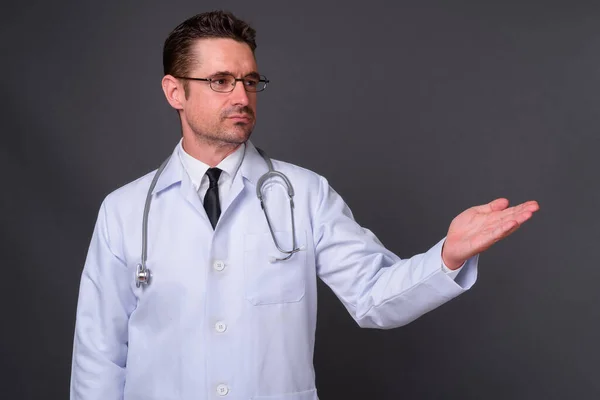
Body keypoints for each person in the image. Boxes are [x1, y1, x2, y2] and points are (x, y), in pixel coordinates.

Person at [69, 10, 540, 400]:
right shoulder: (125, 211)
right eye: (220, 81)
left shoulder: (305, 193)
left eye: (250, 81)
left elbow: (374, 295)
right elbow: (99, 355)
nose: (241, 96)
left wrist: (447, 256)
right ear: (176, 92)